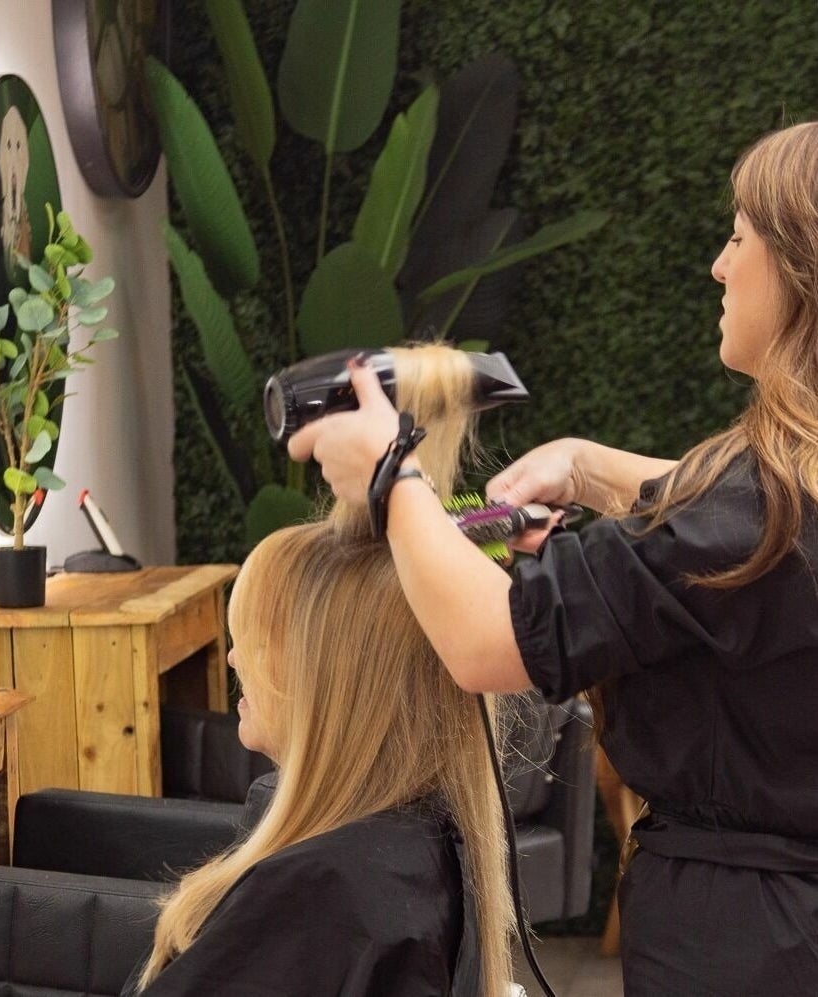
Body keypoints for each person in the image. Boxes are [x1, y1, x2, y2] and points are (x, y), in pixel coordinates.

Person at [288, 121, 818, 995]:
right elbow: (762, 530)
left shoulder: (744, 504)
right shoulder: (768, 493)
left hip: (746, 949)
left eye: (735, 237)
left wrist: (390, 478)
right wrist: (589, 468)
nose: (720, 267)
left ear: (800, 272)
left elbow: (486, 642)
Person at [131, 345, 516, 996]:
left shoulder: (323, 890)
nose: (232, 661)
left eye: (250, 641)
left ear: (323, 673)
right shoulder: (413, 850)